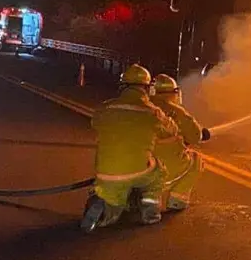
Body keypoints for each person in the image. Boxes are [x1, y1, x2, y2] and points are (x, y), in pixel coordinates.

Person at [81, 64, 179, 232]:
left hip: (105, 173)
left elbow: (95, 123)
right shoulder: (153, 112)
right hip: (138, 170)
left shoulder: (106, 107)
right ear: (148, 88)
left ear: (122, 86)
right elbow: (171, 131)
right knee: (159, 172)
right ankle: (150, 211)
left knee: (114, 202)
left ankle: (103, 207)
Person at [150, 74, 210, 211]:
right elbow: (195, 136)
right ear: (175, 93)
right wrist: (202, 134)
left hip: (140, 166)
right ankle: (177, 200)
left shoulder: (144, 108)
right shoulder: (178, 112)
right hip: (163, 170)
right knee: (197, 160)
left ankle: (148, 197)